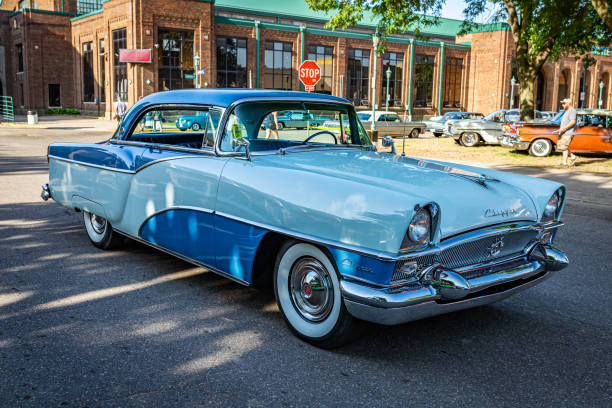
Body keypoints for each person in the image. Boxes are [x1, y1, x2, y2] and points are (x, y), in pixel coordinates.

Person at [554, 98, 578, 167]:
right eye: (562, 103)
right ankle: (573, 157)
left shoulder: (572, 111)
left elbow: (573, 122)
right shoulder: (567, 111)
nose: (562, 105)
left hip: (568, 132)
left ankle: (564, 163)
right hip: (564, 132)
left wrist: (563, 128)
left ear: (568, 104)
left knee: (564, 147)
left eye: (564, 103)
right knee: (562, 147)